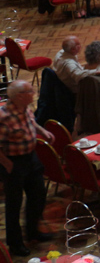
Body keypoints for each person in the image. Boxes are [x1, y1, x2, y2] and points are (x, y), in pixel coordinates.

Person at [0, 80, 55, 256]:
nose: (33, 93)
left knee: (38, 195)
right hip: (13, 162)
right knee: (14, 204)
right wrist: (8, 164)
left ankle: (33, 232)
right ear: (18, 96)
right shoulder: (3, 117)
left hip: (31, 158)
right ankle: (15, 244)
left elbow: (31, 123)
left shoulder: (25, 108)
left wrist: (42, 131)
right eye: (29, 91)